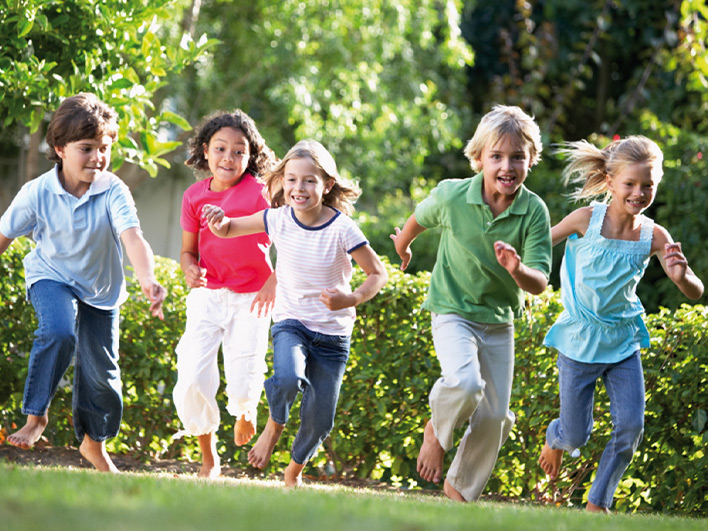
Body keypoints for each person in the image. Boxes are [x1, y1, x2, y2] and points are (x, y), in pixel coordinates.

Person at [202, 139, 388, 487]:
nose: (298, 188)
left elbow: (378, 273)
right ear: (281, 182)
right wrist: (217, 220)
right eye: (290, 180)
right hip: (292, 322)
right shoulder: (279, 219)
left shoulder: (342, 228)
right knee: (287, 377)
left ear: (327, 184)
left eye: (308, 181)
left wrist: (350, 299)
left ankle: (293, 473)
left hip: (333, 335)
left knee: (321, 419)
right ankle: (274, 425)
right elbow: (228, 228)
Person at [391, 105, 552, 502]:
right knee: (465, 383)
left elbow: (540, 282)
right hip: (452, 311)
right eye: (496, 156)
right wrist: (402, 245)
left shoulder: (534, 212)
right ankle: (437, 432)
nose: (507, 166)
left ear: (531, 159)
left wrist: (516, 269)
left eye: (518, 156)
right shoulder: (452, 195)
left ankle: (459, 493)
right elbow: (419, 218)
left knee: (496, 417)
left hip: (499, 322)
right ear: (478, 158)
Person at [0, 92, 166, 472]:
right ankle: (35, 416)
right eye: (86, 148)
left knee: (104, 378)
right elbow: (3, 236)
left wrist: (148, 279)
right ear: (59, 148)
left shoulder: (112, 190)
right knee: (59, 331)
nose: (98, 158)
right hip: (51, 277)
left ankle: (93, 444)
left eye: (104, 148)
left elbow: (133, 237)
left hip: (101, 292)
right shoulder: (36, 193)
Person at [537, 135, 704, 513]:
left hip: (623, 342)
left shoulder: (654, 235)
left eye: (648, 185)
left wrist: (681, 277)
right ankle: (556, 436)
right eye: (630, 184)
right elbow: (541, 243)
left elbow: (695, 290)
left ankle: (598, 501)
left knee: (630, 427)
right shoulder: (586, 220)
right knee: (577, 433)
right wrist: (514, 262)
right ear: (610, 182)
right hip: (580, 340)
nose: (639, 192)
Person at [172, 110, 278, 478]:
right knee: (192, 375)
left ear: (251, 156)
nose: (228, 158)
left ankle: (246, 410)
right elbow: (188, 251)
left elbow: (293, 239)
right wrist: (188, 266)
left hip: (253, 297)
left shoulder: (262, 193)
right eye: (220, 149)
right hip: (209, 294)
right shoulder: (193, 196)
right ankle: (208, 456)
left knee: (244, 369)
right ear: (206, 150)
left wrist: (273, 281)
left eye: (238, 151)